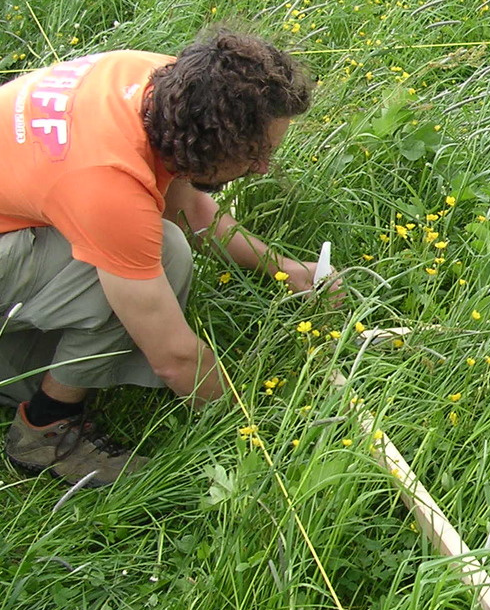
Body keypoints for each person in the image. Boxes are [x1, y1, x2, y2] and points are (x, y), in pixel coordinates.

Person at [0, 29, 323, 487]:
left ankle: (23, 365)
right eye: (255, 154)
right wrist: (258, 434)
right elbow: (175, 357)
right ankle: (44, 429)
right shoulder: (108, 187)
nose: (263, 168)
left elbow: (189, 208)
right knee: (164, 254)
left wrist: (284, 268)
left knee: (152, 242)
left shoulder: (160, 84)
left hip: (20, 218)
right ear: (205, 145)